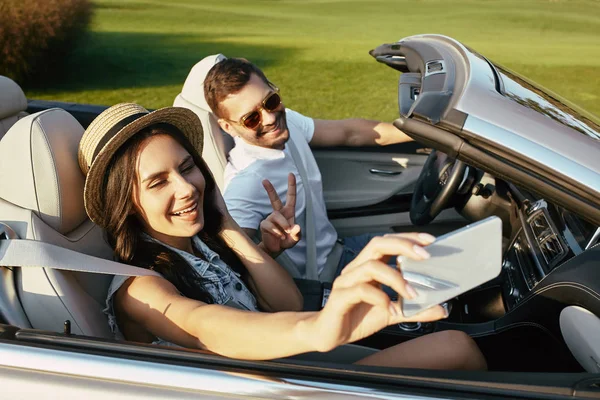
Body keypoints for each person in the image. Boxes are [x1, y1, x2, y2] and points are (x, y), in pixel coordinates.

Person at [77, 102, 486, 369]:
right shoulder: (138, 288)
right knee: (456, 351)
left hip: (283, 361)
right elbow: (206, 327)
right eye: (157, 183)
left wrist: (231, 228)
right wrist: (322, 327)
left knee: (455, 344)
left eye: (187, 168)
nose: (185, 189)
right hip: (260, 386)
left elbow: (285, 302)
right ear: (125, 205)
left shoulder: (201, 242)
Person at [203, 57, 415, 279]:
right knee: (431, 289)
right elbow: (230, 268)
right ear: (228, 127)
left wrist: (427, 135)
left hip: (341, 250)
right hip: (323, 280)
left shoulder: (289, 122)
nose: (269, 118)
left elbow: (351, 133)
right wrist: (269, 250)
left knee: (431, 254)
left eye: (270, 101)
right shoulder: (247, 182)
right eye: (251, 118)